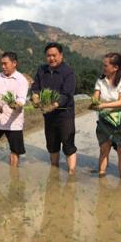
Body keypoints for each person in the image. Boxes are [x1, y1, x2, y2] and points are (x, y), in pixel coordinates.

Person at [31, 42, 77, 174]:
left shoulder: (68, 72)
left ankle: (71, 174)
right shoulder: (42, 70)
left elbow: (67, 94)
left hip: (65, 114)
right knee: (52, 145)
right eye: (48, 56)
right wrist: (35, 97)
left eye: (54, 55)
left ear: (61, 55)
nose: (51, 58)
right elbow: (35, 88)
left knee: (68, 145)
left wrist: (54, 105)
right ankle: (54, 172)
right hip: (48, 115)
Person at [92, 53, 121, 179]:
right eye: (103, 65)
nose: (103, 67)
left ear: (115, 67)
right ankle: (101, 176)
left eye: (105, 65)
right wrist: (94, 102)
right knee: (104, 149)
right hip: (105, 119)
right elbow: (96, 96)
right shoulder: (101, 80)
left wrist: (102, 106)